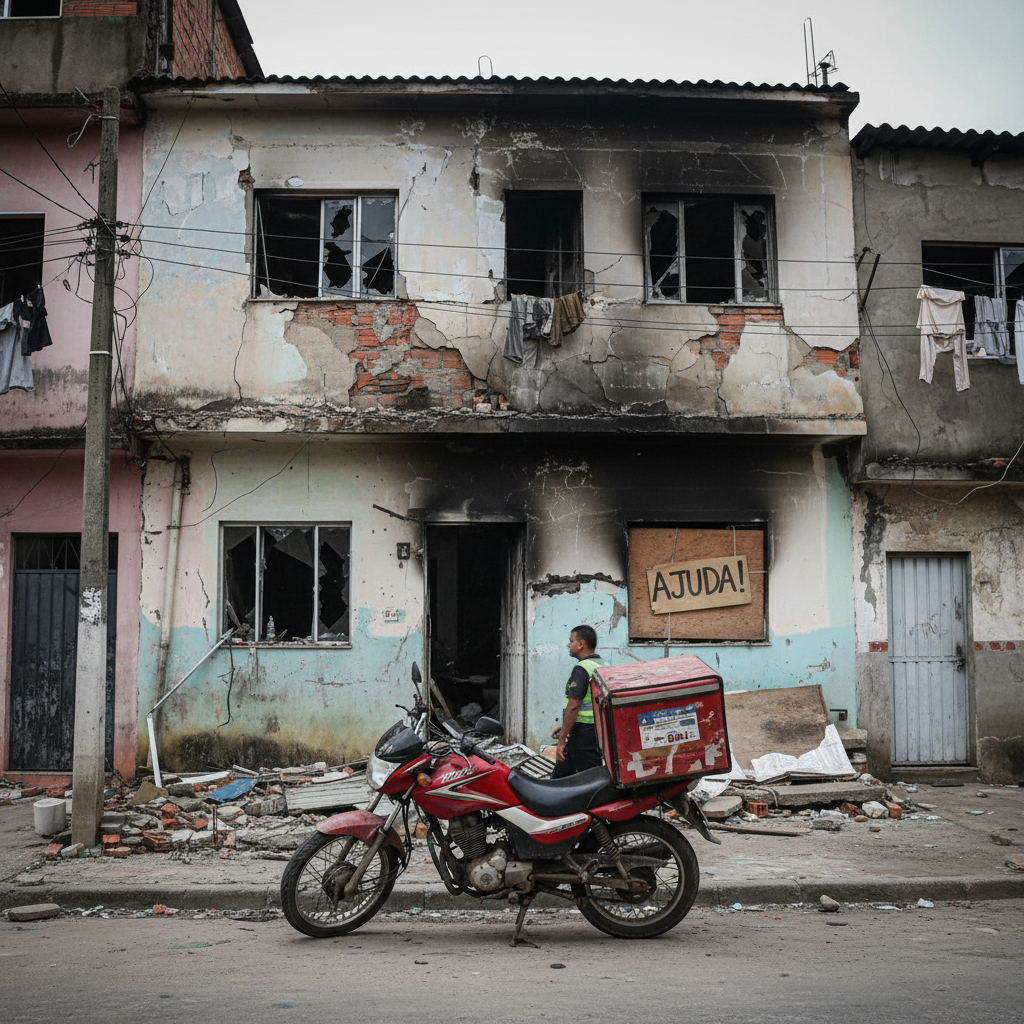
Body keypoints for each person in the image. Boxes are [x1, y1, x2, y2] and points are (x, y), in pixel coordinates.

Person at [550, 624, 605, 778]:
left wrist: (561, 741)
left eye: (572, 641)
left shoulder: (582, 669)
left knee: (590, 781)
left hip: (584, 735)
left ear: (581, 644)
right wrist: (565, 728)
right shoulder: (600, 665)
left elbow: (574, 706)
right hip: (592, 730)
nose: (569, 645)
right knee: (559, 777)